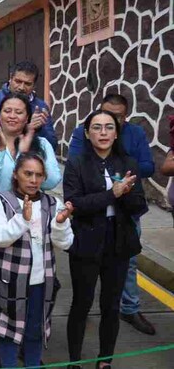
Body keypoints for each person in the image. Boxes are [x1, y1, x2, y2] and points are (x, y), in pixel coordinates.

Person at [0, 92, 61, 368]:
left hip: (35, 212)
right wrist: (2, 149)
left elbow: (52, 180)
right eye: (7, 110)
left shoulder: (40, 143)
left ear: (27, 116)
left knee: (34, 281)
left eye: (19, 111)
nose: (12, 115)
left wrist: (30, 147)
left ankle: (27, 342)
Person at [0, 61, 56, 328]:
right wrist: (12, 137)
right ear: (10, 79)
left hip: (28, 203)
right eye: (18, 82)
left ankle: (22, 321)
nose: (22, 87)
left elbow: (51, 141)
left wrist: (36, 129)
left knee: (24, 263)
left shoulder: (40, 107)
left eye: (28, 84)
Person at [64, 109, 147, 369]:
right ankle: (74, 361)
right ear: (87, 134)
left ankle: (105, 361)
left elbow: (139, 205)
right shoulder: (76, 163)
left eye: (109, 127)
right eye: (97, 128)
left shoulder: (128, 163)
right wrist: (113, 193)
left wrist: (128, 194)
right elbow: (76, 204)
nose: (103, 133)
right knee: (81, 304)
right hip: (86, 242)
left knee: (111, 306)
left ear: (116, 133)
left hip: (118, 242)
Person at [0, 153, 74, 368]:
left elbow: (65, 243)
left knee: (35, 330)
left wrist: (61, 224)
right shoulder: (2, 201)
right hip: (10, 282)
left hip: (41, 282)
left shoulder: (53, 203)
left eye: (38, 175)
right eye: (28, 174)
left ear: (44, 177)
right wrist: (22, 220)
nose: (33, 180)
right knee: (9, 330)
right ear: (16, 174)